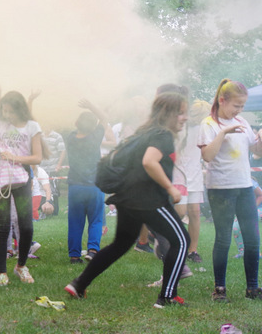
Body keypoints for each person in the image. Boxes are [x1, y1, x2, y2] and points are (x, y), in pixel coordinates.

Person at [65, 92, 191, 308]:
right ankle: (168, 296)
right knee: (182, 240)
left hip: (127, 198)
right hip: (149, 200)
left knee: (120, 245)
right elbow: (149, 162)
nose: (185, 118)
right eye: (181, 113)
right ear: (168, 113)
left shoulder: (144, 133)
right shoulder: (162, 135)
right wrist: (171, 188)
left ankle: (79, 284)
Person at [198, 79, 262, 302]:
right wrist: (224, 132)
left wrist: (260, 139)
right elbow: (207, 156)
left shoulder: (241, 121)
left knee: (253, 238)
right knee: (223, 239)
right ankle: (220, 289)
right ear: (222, 100)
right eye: (236, 105)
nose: (240, 110)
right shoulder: (209, 124)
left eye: (242, 106)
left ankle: (253, 288)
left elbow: (257, 151)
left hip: (245, 186)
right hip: (221, 188)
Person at [0, 88, 43, 285]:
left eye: (10, 111)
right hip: (2, 176)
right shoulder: (0, 124)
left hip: (22, 176)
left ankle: (21, 266)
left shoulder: (32, 126)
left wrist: (15, 158)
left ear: (20, 109)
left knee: (26, 225)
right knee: (3, 224)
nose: (7, 115)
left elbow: (37, 157)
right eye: (4, 110)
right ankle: (1, 273)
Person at [64, 100, 114, 263]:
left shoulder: (71, 138)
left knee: (75, 222)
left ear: (76, 123)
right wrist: (92, 107)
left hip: (75, 187)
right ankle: (92, 250)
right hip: (94, 186)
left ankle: (74, 256)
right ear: (93, 128)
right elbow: (104, 119)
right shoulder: (95, 137)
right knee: (96, 220)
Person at [174, 99, 210, 263]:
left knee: (195, 212)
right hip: (178, 173)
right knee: (180, 212)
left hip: (195, 174)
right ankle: (170, 241)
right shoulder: (181, 127)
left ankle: (192, 250)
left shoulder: (205, 130)